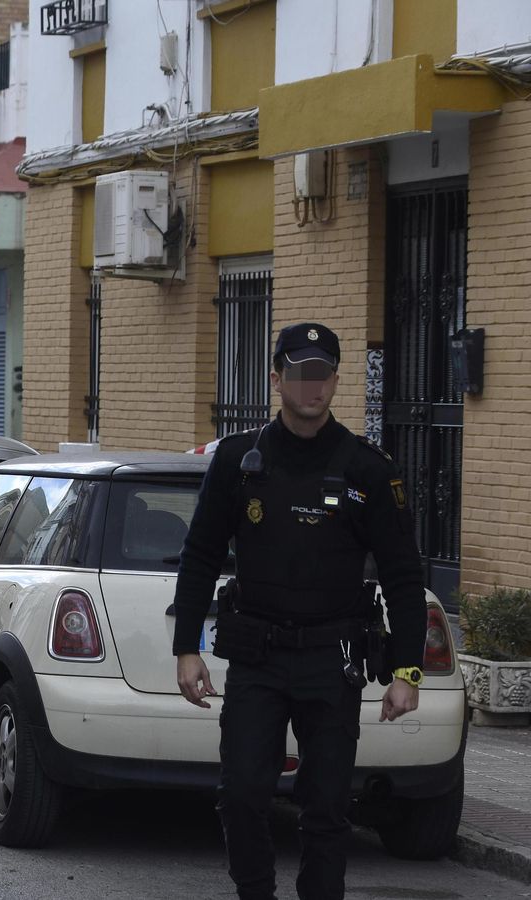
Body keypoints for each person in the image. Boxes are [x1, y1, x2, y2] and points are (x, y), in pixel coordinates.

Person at [172, 323, 426, 900]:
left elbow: (403, 575)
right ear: (277, 379)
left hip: (332, 662)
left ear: (336, 381)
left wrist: (407, 671)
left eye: (324, 373)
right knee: (239, 795)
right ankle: (256, 891)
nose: (312, 385)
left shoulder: (367, 469)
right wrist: (187, 647)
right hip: (258, 659)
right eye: (300, 372)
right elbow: (201, 555)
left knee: (328, 807)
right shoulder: (241, 461)